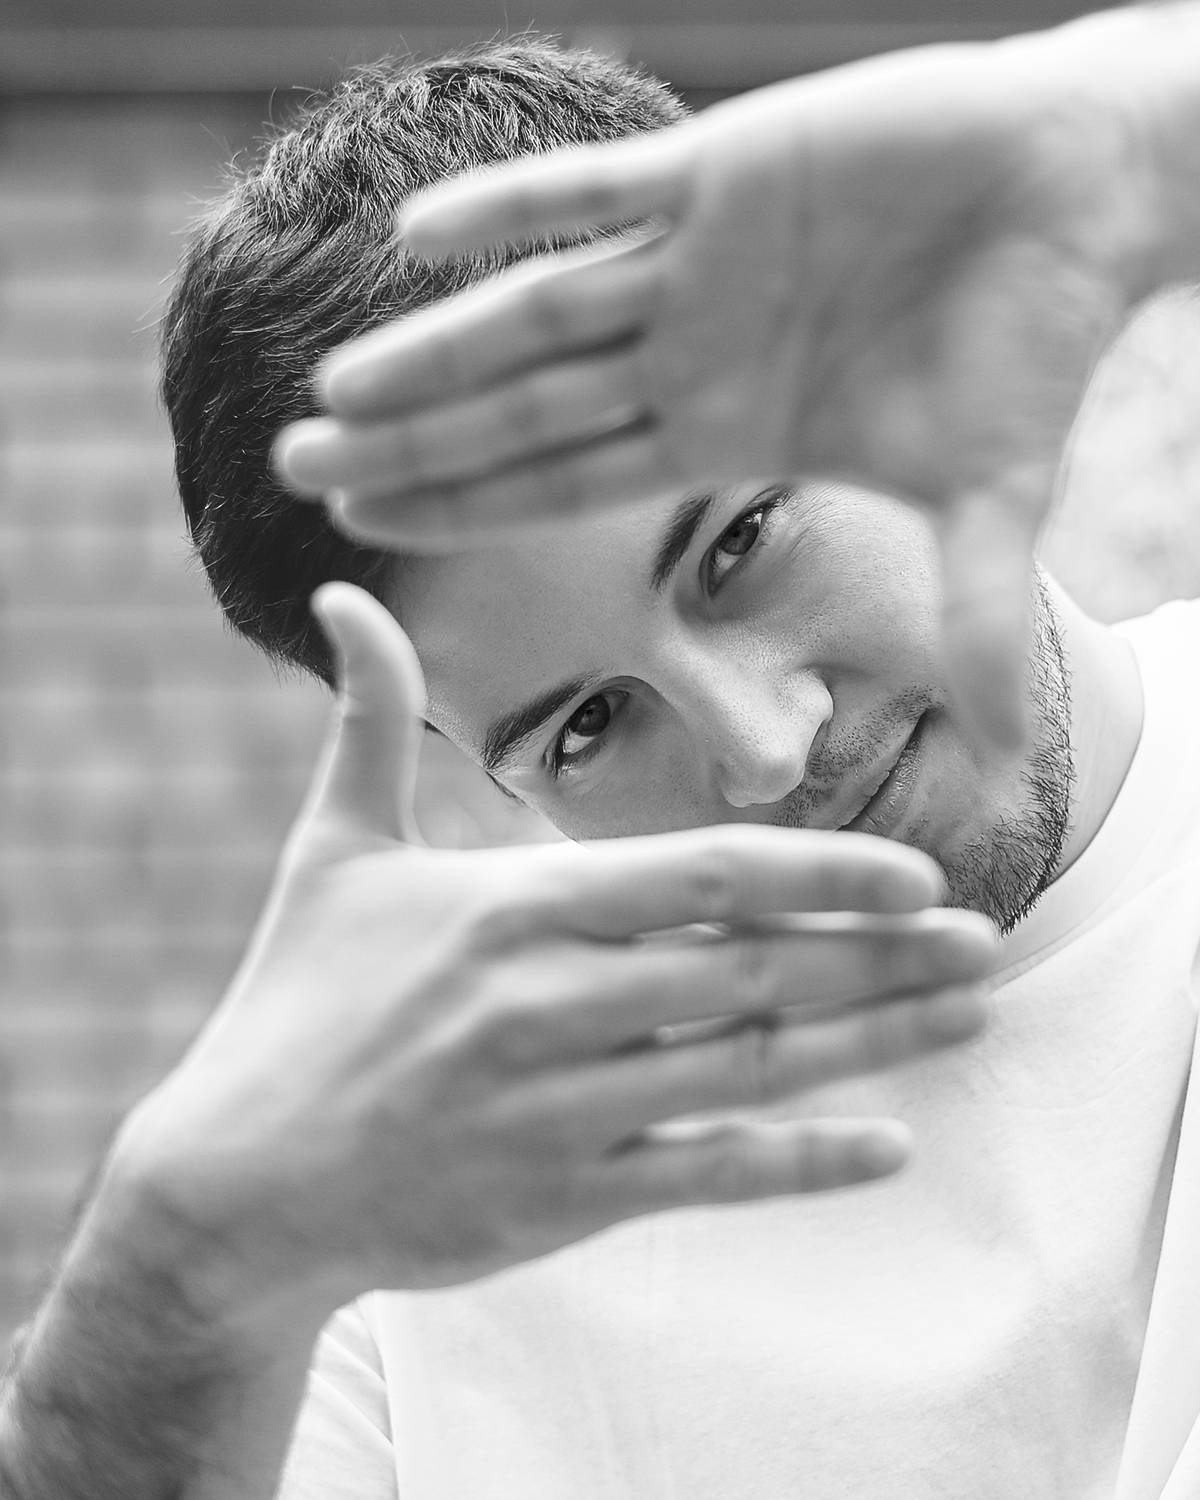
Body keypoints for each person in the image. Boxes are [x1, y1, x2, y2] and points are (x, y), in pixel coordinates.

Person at [1, 11, 1198, 1500]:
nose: (767, 756)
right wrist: (167, 1270)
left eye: (739, 544)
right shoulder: (432, 1213)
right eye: (586, 727)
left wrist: (1150, 126)